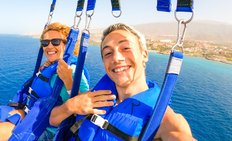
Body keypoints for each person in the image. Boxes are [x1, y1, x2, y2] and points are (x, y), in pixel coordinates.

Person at [49, 23, 196, 141]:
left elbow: (178, 135)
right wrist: (70, 106)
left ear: (144, 55)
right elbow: (53, 119)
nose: (116, 58)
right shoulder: (96, 94)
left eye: (125, 48)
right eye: (108, 53)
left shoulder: (163, 119)